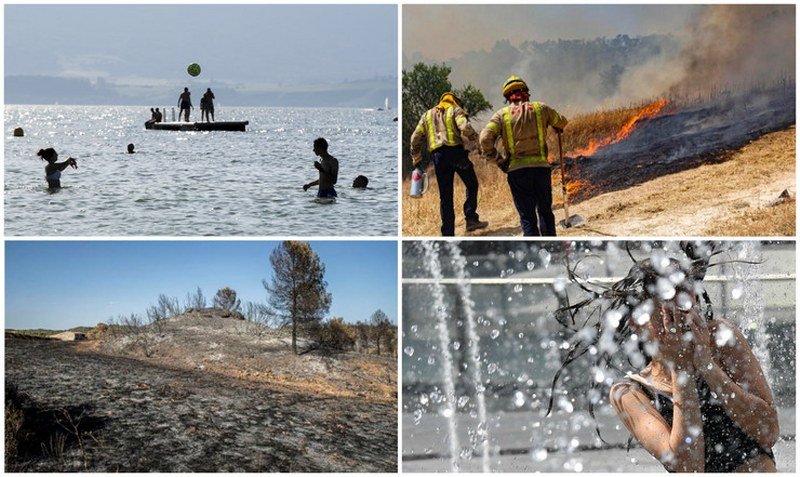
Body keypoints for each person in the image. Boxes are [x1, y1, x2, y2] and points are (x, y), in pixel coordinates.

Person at [549, 243, 779, 473]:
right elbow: (689, 466)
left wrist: (707, 366)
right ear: (638, 324)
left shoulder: (721, 340)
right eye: (668, 316)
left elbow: (769, 433)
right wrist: (682, 371)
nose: (681, 325)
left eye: (687, 309)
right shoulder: (630, 393)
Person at [479, 75, 568, 237]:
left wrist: (499, 161)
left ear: (507, 97)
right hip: (541, 170)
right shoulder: (542, 109)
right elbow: (562, 122)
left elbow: (484, 138)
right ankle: (553, 249)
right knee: (546, 212)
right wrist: (555, 125)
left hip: (517, 172)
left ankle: (534, 252)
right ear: (526, 92)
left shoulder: (501, 115)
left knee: (527, 218)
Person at [409, 92, 488, 236]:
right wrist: (477, 143)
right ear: (455, 101)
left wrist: (416, 158)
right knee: (472, 184)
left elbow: (415, 137)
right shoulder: (455, 110)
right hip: (456, 154)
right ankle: (471, 218)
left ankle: (447, 234)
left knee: (445, 197)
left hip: (438, 158)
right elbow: (465, 128)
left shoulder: (426, 115)